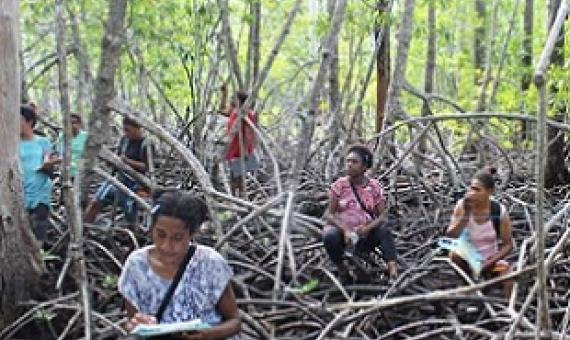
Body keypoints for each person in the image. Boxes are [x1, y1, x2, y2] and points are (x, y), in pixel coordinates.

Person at [118, 192, 241, 339]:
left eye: (177, 238)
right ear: (152, 229)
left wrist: (207, 335)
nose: (166, 246)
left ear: (192, 234)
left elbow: (235, 321)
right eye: (160, 234)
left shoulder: (210, 263)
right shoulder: (136, 265)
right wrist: (137, 324)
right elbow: (132, 321)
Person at [322, 144, 398, 284]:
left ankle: (393, 272)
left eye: (354, 162)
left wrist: (366, 229)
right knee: (329, 235)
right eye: (348, 161)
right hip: (343, 234)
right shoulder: (339, 185)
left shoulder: (374, 187)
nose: (349, 165)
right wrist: (345, 230)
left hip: (364, 235)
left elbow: (382, 216)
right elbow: (329, 214)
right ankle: (343, 270)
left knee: (384, 230)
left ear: (365, 167)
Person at [446, 167, 514, 298]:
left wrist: (488, 263)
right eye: (471, 188)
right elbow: (450, 236)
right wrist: (466, 214)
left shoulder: (499, 211)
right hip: (468, 260)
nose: (472, 192)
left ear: (489, 192)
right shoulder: (462, 205)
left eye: (477, 189)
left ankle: (506, 308)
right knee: (454, 254)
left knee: (507, 273)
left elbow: (508, 245)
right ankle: (469, 283)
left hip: (491, 262)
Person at [83, 117, 151, 223]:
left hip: (136, 185)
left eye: (128, 130)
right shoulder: (125, 140)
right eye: (124, 130)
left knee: (130, 214)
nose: (126, 133)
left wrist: (128, 161)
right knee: (96, 202)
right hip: (118, 180)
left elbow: (147, 167)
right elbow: (118, 157)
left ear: (138, 128)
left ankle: (136, 235)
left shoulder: (146, 144)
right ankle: (82, 231)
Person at [20, 104, 60, 245]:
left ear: (29, 122)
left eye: (19, 120)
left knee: (39, 226)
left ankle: (38, 255)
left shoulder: (42, 141)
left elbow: (47, 160)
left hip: (40, 189)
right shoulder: (11, 143)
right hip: (19, 190)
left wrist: (48, 164)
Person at [225, 91, 258, 197]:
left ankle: (240, 206)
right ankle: (237, 204)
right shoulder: (235, 112)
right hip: (233, 153)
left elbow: (249, 134)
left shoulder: (246, 114)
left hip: (240, 154)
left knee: (239, 183)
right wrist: (224, 93)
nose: (231, 100)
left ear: (239, 101)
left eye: (233, 98)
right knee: (234, 182)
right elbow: (223, 111)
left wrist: (246, 154)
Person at [56, 113, 88, 179]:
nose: (72, 125)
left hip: (81, 174)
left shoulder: (85, 137)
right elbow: (59, 153)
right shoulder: (62, 137)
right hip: (65, 173)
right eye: (69, 123)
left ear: (79, 124)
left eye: (74, 123)